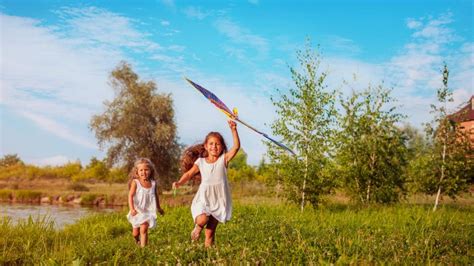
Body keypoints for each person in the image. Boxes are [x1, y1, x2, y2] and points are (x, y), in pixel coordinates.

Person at [173, 120, 240, 247]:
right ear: (205, 145)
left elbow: (236, 147)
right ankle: (197, 227)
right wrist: (179, 182)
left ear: (222, 147)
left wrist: (233, 130)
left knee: (210, 232)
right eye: (211, 144)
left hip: (219, 199)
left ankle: (208, 255)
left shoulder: (223, 159)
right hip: (204, 198)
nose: (214, 146)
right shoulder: (201, 162)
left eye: (217, 144)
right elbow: (188, 174)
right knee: (203, 219)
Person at [127, 158, 165, 247]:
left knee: (143, 229)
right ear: (137, 172)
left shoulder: (153, 183)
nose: (144, 172)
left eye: (146, 170)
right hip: (137, 210)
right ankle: (137, 240)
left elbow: (156, 196)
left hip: (148, 211)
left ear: (151, 171)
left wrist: (159, 208)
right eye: (141, 170)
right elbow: (130, 196)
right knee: (135, 233)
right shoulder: (136, 182)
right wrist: (132, 209)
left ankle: (143, 250)